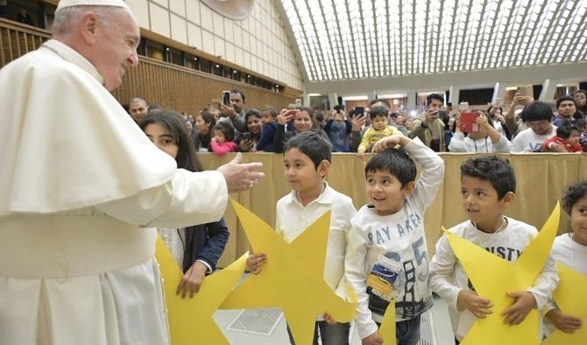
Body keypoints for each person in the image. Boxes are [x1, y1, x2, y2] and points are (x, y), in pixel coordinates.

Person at [0, 0, 264, 345]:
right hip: (78, 296)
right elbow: (144, 196)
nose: (135, 58)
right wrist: (218, 182)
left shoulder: (12, 76)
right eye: (130, 42)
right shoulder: (65, 81)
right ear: (90, 27)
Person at [428, 155, 558, 344]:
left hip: (516, 331)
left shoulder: (527, 234)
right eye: (465, 192)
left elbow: (549, 272)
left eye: (480, 194)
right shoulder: (454, 237)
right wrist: (460, 295)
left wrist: (533, 297)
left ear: (506, 199)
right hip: (469, 333)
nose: (469, 200)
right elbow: (435, 276)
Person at [247, 131, 357, 344]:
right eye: (286, 165)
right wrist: (258, 263)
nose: (290, 172)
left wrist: (341, 295)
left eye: (298, 165)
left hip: (333, 302)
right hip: (296, 301)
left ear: (323, 168)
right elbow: (279, 252)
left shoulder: (343, 205)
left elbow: (355, 257)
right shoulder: (282, 205)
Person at [345, 134, 445, 345]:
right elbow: (353, 276)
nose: (376, 188)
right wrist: (365, 327)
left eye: (386, 181)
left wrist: (403, 140)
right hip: (379, 318)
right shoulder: (361, 223)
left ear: (408, 189)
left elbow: (436, 166)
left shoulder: (414, 204)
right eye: (371, 181)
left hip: (414, 312)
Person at [139, 110, 230, 299]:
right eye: (148, 140)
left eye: (166, 141)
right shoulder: (128, 190)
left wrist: (202, 263)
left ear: (179, 147)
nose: (155, 148)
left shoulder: (195, 186)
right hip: (141, 290)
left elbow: (220, 232)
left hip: (183, 288)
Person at [543, 179, 587, 336]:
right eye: (584, 211)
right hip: (555, 335)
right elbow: (532, 286)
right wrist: (552, 314)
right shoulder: (550, 248)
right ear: (569, 210)